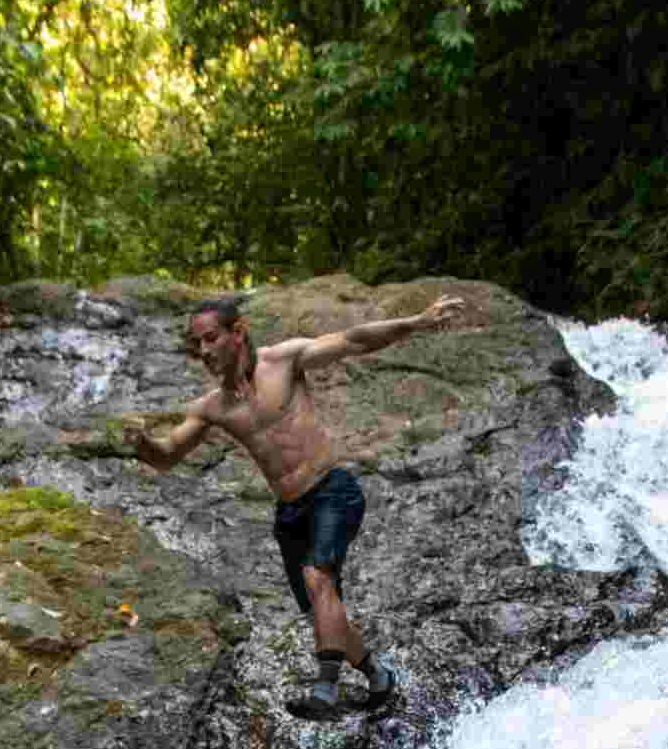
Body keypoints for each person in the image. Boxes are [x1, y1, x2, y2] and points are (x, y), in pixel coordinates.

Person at [123, 291, 462, 719]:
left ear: (238, 332)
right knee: (324, 611)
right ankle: (379, 678)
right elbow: (168, 454)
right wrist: (141, 445)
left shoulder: (282, 362)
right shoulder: (213, 407)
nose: (204, 351)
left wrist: (417, 320)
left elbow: (354, 340)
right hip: (290, 512)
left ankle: (325, 692)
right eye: (198, 344)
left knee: (318, 578)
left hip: (331, 491)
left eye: (211, 339)